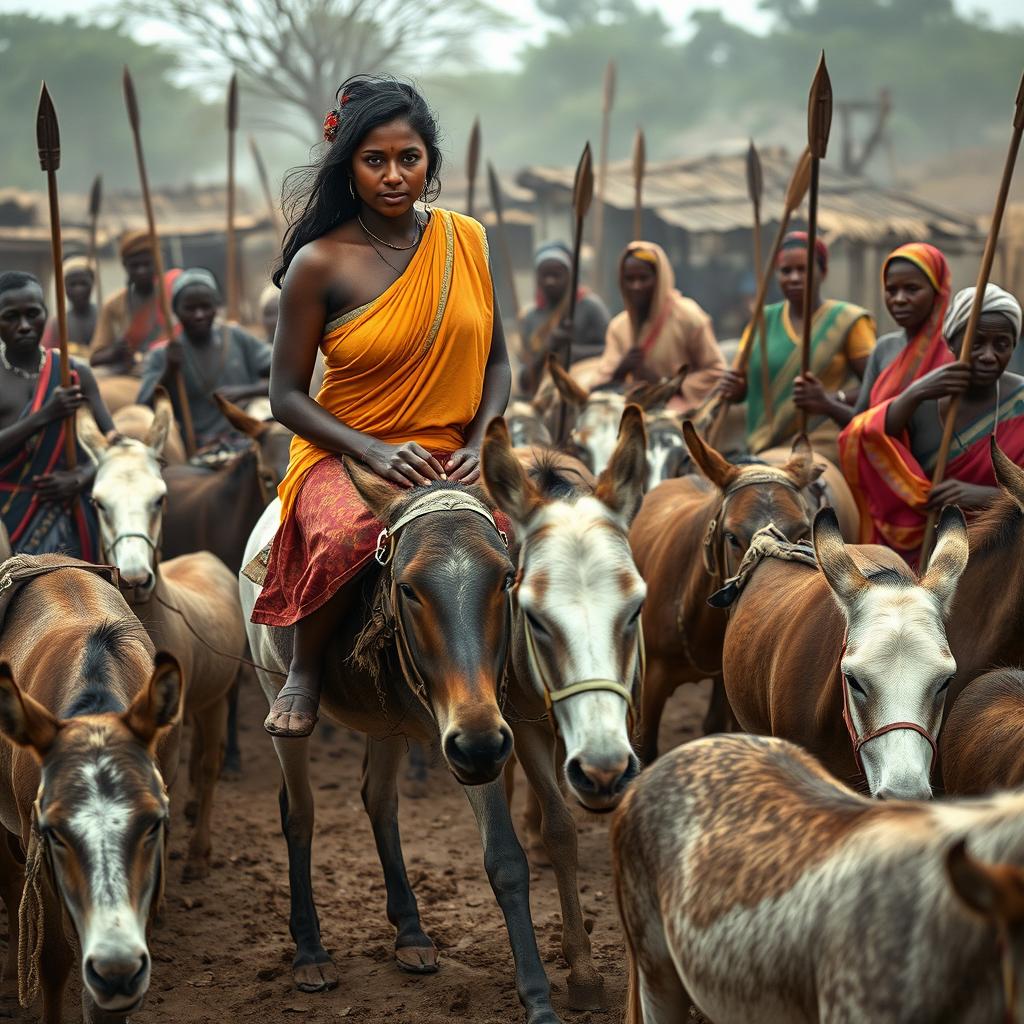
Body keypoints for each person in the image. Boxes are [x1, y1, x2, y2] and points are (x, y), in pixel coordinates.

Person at [250, 76, 510, 738]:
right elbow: (284, 396)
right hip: (347, 449)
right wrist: (371, 449)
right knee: (345, 537)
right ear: (351, 166)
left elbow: (499, 364)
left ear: (431, 162)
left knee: (526, 540)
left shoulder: (467, 241)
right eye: (375, 161)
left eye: (409, 159)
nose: (394, 176)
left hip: (452, 450)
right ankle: (306, 669)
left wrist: (481, 443)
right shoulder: (319, 262)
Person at [839, 283, 1024, 562]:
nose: (989, 355)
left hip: (1004, 559)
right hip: (926, 554)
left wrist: (985, 496)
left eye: (1002, 345)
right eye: (976, 344)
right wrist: (912, 394)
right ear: (951, 343)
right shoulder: (924, 401)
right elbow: (862, 441)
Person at [717, 231, 875, 460]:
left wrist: (830, 399)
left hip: (822, 440)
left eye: (803, 270)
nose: (794, 278)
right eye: (786, 271)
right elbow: (746, 386)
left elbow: (877, 388)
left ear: (823, 272)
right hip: (762, 445)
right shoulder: (761, 321)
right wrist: (736, 389)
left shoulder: (848, 321)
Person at [0, 271, 114, 558]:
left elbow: (113, 445)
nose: (24, 326)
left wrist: (82, 476)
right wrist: (46, 414)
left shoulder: (74, 373)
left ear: (47, 315)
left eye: (32, 314)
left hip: (72, 507)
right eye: (11, 317)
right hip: (6, 509)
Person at [137, 268, 272, 453]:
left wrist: (245, 391)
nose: (199, 315)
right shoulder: (162, 355)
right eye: (190, 308)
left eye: (205, 306)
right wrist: (169, 370)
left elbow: (284, 377)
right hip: (198, 448)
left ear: (216, 306)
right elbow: (144, 406)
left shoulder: (236, 337)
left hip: (247, 442)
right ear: (176, 310)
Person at [583, 241, 724, 414]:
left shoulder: (689, 317)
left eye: (643, 278)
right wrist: (621, 369)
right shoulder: (618, 327)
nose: (636, 286)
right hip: (633, 408)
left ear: (659, 279)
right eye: (630, 279)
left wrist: (673, 387)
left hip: (679, 410)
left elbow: (715, 370)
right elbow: (601, 380)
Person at [849, 242, 952, 417]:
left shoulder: (955, 350)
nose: (899, 299)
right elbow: (860, 421)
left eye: (912, 289)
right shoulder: (884, 348)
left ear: (938, 291)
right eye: (891, 290)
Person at [517, 242, 609, 396]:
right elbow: (525, 377)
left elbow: (612, 352)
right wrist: (548, 348)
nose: (550, 281)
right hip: (544, 393)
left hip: (587, 389)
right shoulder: (530, 317)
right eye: (544, 275)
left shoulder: (590, 307)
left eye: (556, 275)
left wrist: (573, 353)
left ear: (570, 276)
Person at [89, 230, 180, 372]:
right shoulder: (113, 305)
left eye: (146, 264)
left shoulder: (175, 294)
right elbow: (95, 358)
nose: (141, 271)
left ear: (158, 262)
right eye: (135, 266)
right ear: (125, 266)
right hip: (129, 375)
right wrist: (115, 352)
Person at [41, 255, 98, 354]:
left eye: (83, 283)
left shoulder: (103, 316)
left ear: (92, 284)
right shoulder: (57, 323)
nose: (78, 289)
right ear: (65, 287)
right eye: (73, 284)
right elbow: (47, 354)